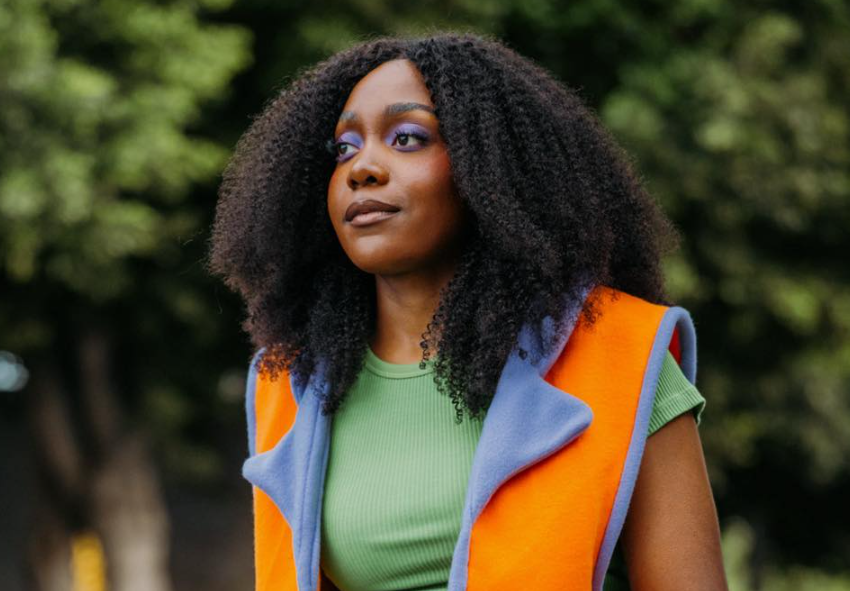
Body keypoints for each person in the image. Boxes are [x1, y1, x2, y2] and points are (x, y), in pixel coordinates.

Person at [208, 33, 728, 591]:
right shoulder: (292, 382)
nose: (363, 168)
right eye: (345, 149)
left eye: (407, 138)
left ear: (491, 168)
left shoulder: (622, 354)